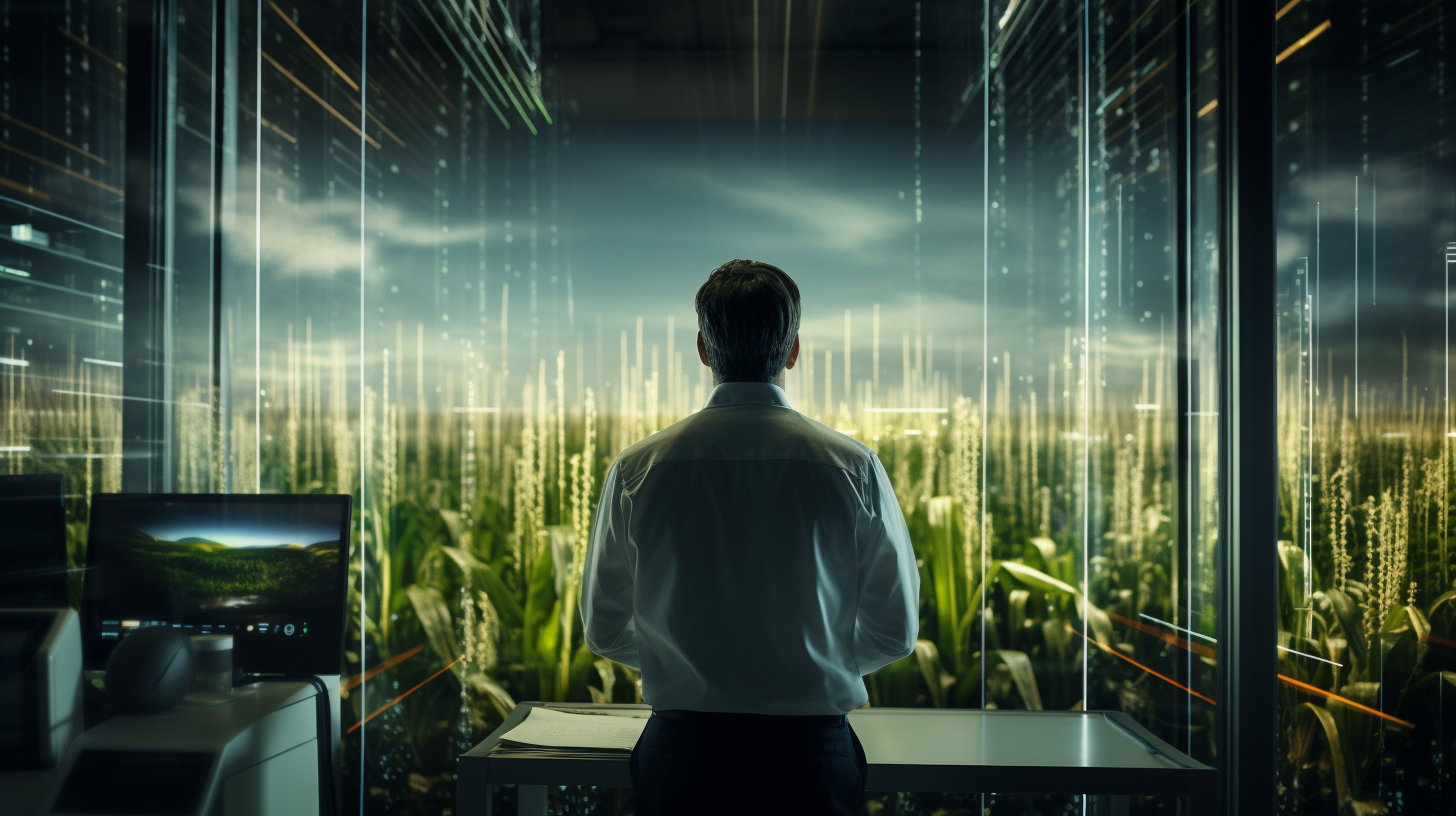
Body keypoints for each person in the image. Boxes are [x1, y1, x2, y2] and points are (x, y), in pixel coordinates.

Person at [580, 259, 920, 816]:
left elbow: (605, 628)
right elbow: (895, 632)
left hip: (682, 758)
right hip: (811, 757)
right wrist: (811, 662)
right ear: (793, 351)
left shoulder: (637, 469)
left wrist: (691, 663)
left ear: (703, 349)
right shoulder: (853, 467)